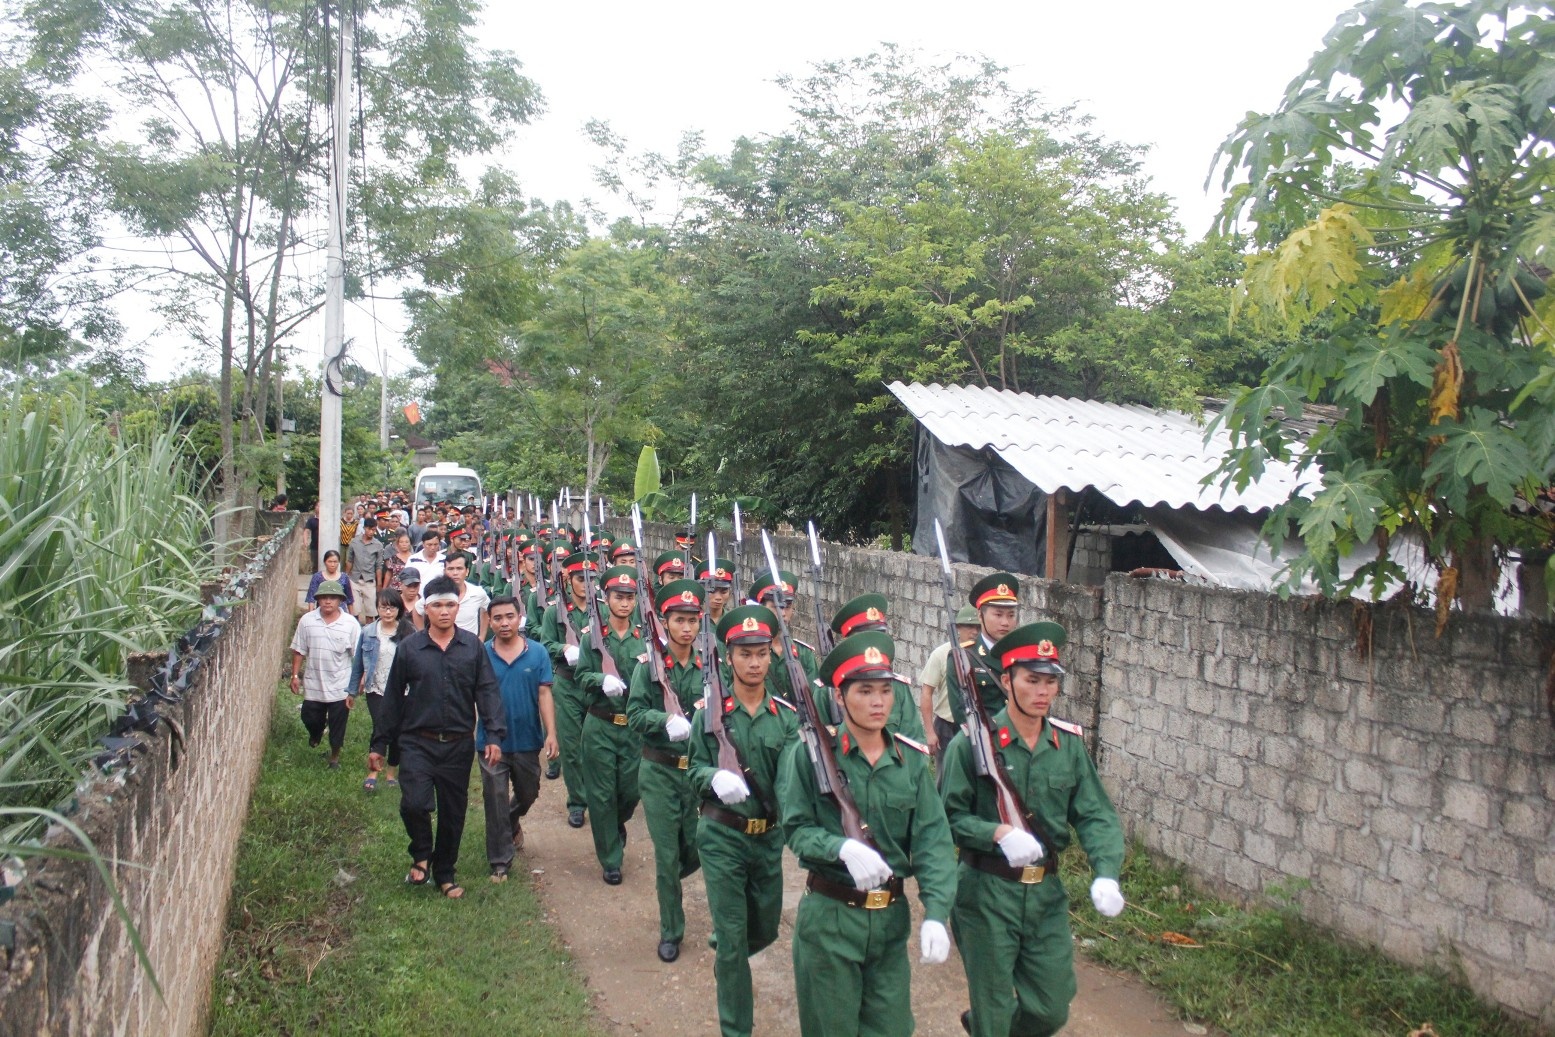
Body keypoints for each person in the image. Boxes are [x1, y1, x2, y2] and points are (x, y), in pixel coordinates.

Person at [939, 622, 1125, 1037]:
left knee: (1051, 1007)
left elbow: (1096, 815)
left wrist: (1107, 871)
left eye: (1050, 681)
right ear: (1006, 681)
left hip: (1045, 896)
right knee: (994, 1009)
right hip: (986, 893)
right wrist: (997, 834)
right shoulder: (971, 744)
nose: (1043, 691)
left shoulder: (1068, 745)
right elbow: (947, 818)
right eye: (1032, 680)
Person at [777, 629, 957, 1037]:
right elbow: (797, 830)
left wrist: (936, 912)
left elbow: (932, 841)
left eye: (885, 691)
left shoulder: (909, 760)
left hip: (891, 923)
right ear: (839, 697)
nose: (878, 702)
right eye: (864, 692)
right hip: (830, 920)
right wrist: (839, 848)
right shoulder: (809, 755)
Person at [689, 604, 798, 1037]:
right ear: (728, 657)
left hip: (767, 840)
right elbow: (693, 769)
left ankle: (728, 955)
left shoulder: (786, 719)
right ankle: (736, 1026)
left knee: (766, 928)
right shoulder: (711, 715)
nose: (754, 663)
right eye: (744, 654)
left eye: (762, 653)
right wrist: (713, 776)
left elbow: (794, 781)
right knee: (733, 942)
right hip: (721, 836)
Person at [370, 575, 507, 900]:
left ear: (457, 607)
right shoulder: (410, 648)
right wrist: (379, 743)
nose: (444, 612)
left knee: (452, 811)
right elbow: (391, 698)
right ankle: (421, 853)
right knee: (414, 803)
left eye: (449, 605)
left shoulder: (471, 647)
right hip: (417, 741)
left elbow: (486, 691)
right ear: (424, 608)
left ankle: (444, 872)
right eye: (437, 606)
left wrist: (493, 735)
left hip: (457, 743)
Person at [624, 577, 705, 962]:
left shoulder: (711, 666)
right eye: (679, 620)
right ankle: (671, 929)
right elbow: (634, 714)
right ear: (665, 622)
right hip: (658, 772)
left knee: (698, 847)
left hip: (697, 775)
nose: (686, 628)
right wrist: (664, 721)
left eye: (693, 620)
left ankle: (674, 879)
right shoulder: (649, 667)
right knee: (667, 855)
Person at [573, 556, 645, 885]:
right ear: (606, 597)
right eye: (618, 596)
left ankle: (615, 824)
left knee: (629, 793)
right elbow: (580, 676)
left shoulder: (645, 639)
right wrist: (600, 680)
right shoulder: (593, 637)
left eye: (630, 597)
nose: (625, 602)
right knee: (602, 796)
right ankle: (611, 859)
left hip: (632, 727)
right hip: (600, 724)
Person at [479, 596, 558, 883]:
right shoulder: (482, 654)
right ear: (490, 621)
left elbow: (544, 694)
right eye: (497, 618)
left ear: (519, 616)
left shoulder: (537, 653)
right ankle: (500, 862)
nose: (504, 623)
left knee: (528, 793)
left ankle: (512, 819)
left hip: (527, 739)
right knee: (494, 798)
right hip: (491, 742)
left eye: (509, 616)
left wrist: (551, 733)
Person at [538, 541, 591, 827]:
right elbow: (546, 643)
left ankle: (598, 797)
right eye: (581, 578)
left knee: (594, 748)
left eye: (591, 578)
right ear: (568, 580)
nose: (586, 584)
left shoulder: (603, 611)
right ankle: (578, 801)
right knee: (571, 747)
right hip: (567, 684)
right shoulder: (554, 611)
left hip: (595, 687)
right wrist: (564, 650)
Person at [826, 593, 926, 740]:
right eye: (864, 636)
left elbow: (914, 741)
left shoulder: (897, 687)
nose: (873, 641)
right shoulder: (827, 691)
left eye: (878, 635)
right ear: (847, 640)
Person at [289, 579, 361, 769]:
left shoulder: (350, 624)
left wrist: (358, 682)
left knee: (338, 724)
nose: (328, 601)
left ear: (340, 601)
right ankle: (316, 732)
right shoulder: (307, 621)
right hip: (314, 682)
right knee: (309, 716)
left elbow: (358, 656)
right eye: (324, 598)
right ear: (318, 600)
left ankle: (334, 757)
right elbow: (299, 650)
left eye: (333, 598)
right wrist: (295, 675)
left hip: (340, 684)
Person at [348, 588, 414, 790]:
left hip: (402, 691)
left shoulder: (408, 632)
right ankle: (374, 771)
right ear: (377, 609)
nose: (387, 612)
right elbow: (358, 662)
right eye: (383, 608)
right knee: (381, 727)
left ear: (398, 610)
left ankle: (392, 771)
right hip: (376, 688)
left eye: (392, 608)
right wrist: (351, 691)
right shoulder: (368, 632)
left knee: (398, 731)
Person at [944, 572, 1022, 724]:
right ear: (980, 616)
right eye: (998, 615)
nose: (1005, 622)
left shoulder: (1023, 655)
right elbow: (962, 713)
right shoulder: (963, 657)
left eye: (1011, 615)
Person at [919, 604, 983, 763]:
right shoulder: (941, 654)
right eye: (969, 626)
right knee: (944, 776)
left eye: (978, 627)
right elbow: (927, 693)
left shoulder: (984, 656)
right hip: (947, 726)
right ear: (957, 628)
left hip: (978, 725)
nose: (974, 632)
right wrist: (929, 732)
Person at [415, 551, 489, 638]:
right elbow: (417, 610)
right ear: (444, 571)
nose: (455, 573)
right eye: (450, 569)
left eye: (459, 568)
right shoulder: (436, 593)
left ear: (467, 571)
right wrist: (423, 635)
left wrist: (482, 636)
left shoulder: (478, 593)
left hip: (469, 646)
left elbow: (486, 610)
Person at [347, 517, 382, 622]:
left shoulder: (378, 545)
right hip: (355, 579)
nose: (371, 532)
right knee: (354, 609)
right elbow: (349, 560)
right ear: (364, 528)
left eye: (374, 530)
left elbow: (378, 565)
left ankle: (368, 632)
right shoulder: (354, 542)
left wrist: (379, 583)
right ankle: (355, 631)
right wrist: (346, 576)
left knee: (370, 611)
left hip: (369, 580)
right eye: (369, 529)